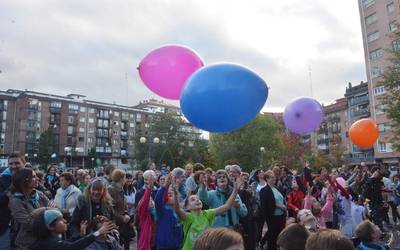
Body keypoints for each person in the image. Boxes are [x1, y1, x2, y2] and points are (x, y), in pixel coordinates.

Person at [173, 176, 242, 250]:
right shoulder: (188, 217)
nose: (197, 200)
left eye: (198, 199)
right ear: (187, 207)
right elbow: (177, 210)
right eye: (193, 200)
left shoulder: (207, 214)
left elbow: (227, 206)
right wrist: (176, 195)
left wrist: (235, 190)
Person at [30, 208, 116, 250]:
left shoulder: (53, 239)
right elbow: (72, 247)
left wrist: (81, 236)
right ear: (50, 226)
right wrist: (98, 233)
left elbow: (67, 244)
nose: (65, 221)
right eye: (60, 219)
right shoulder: (50, 243)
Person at [9, 168, 49, 250]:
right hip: (28, 243)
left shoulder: (39, 194)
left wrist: (45, 210)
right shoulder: (16, 200)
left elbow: (57, 210)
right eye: (34, 176)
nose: (38, 178)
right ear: (25, 181)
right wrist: (43, 210)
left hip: (45, 238)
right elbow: (29, 223)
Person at [0, 152, 25, 250]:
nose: (14, 166)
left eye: (17, 163)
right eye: (11, 164)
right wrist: (12, 187)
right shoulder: (2, 179)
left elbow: (43, 192)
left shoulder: (30, 177)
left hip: (26, 226)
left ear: (23, 163)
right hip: (6, 226)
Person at [259, 170, 286, 250]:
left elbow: (281, 199)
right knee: (272, 237)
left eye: (274, 177)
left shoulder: (277, 188)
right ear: (267, 179)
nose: (274, 178)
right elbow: (265, 205)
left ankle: (263, 242)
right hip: (272, 216)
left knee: (279, 234)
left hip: (281, 216)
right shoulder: (264, 190)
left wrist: (283, 207)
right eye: (271, 177)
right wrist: (279, 206)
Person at [108, 169, 134, 250]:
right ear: (121, 179)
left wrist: (126, 213)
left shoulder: (121, 188)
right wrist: (122, 218)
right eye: (125, 178)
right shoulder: (110, 189)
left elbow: (122, 206)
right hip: (115, 224)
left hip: (123, 224)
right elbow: (110, 209)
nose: (126, 180)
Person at [154, 174, 183, 250]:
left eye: (172, 193)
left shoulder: (181, 212)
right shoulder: (162, 209)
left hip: (177, 246)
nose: (169, 194)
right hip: (164, 247)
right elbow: (157, 200)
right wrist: (166, 186)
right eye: (167, 193)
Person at [136, 170, 157, 250]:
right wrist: (148, 190)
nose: (147, 181)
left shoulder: (157, 191)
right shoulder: (140, 193)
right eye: (146, 179)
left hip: (155, 231)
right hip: (144, 225)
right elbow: (141, 207)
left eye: (150, 179)